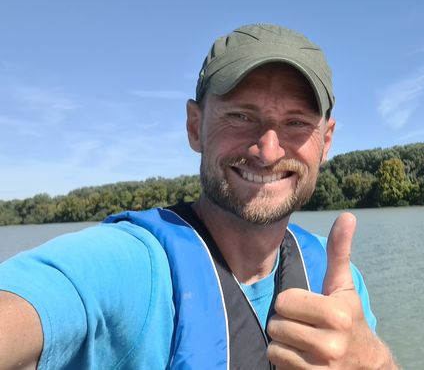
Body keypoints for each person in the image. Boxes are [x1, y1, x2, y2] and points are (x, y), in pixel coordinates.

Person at [0, 24, 398, 369]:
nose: (268, 150)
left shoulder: (336, 284)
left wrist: (376, 363)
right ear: (195, 127)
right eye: (241, 116)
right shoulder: (132, 267)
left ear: (325, 142)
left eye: (295, 123)